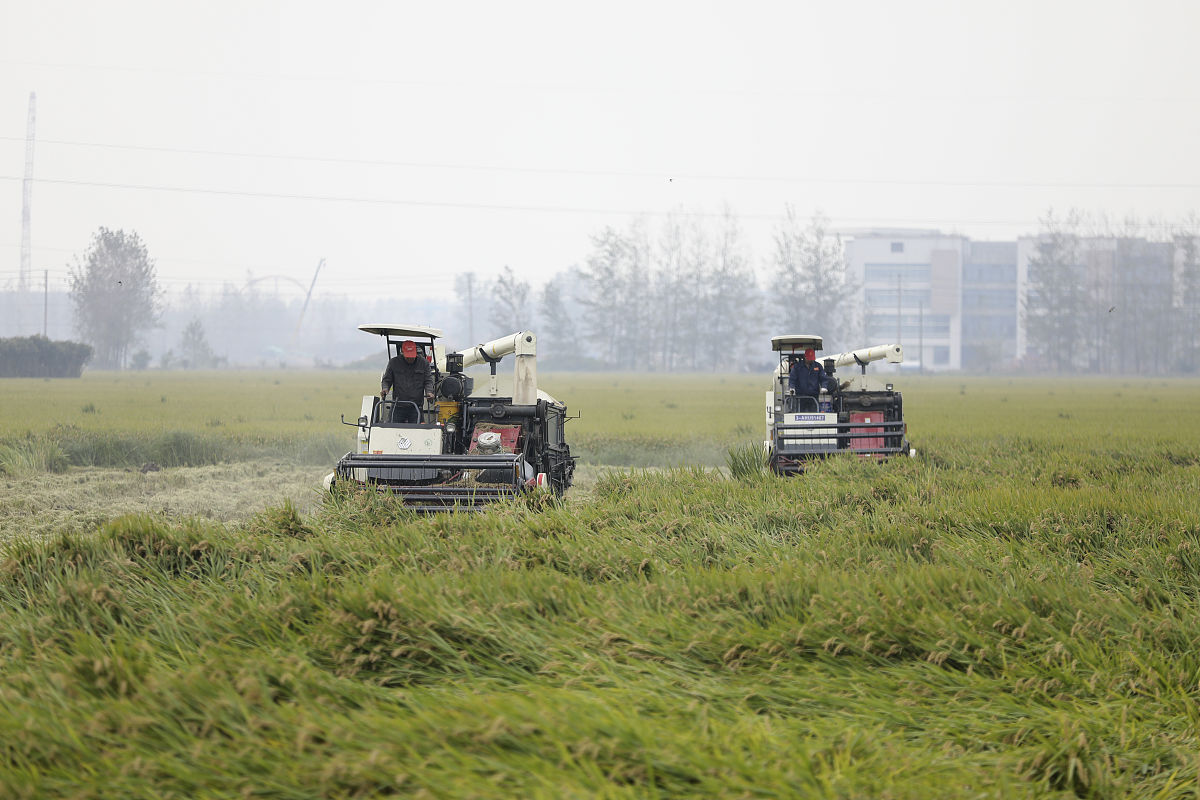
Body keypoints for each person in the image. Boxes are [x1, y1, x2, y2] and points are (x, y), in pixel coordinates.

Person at [380, 339, 434, 423]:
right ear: (402, 353)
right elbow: (387, 380)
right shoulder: (394, 363)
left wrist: (429, 392)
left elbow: (428, 381)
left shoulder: (424, 363)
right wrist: (385, 389)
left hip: (416, 406)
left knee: (418, 431)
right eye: (408, 357)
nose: (410, 359)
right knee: (392, 429)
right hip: (398, 405)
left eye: (412, 356)